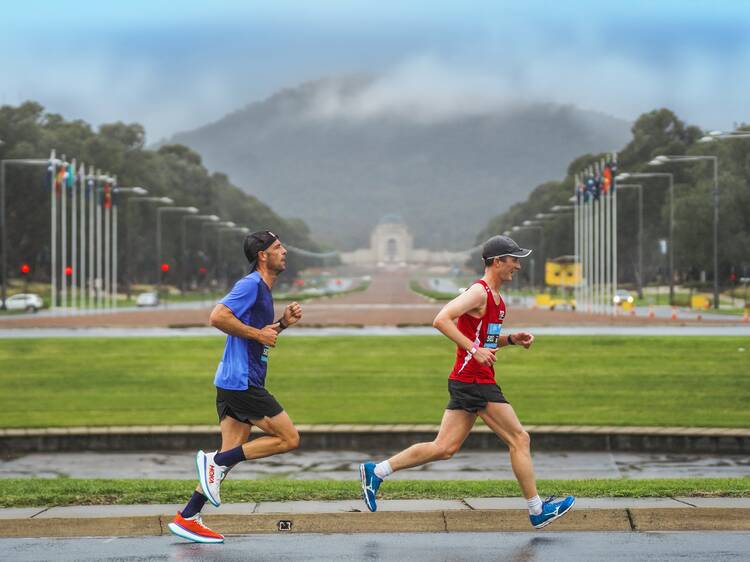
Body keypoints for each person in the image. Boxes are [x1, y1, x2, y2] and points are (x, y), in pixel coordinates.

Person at [359, 235, 575, 529]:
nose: (518, 266)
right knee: (519, 439)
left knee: (444, 448)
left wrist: (511, 339)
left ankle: (377, 471)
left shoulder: (496, 299)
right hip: (474, 381)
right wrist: (474, 351)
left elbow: (483, 339)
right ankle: (537, 510)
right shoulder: (479, 292)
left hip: (468, 379)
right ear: (497, 262)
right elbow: (441, 319)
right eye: (513, 260)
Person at [168, 230, 303, 544]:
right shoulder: (251, 285)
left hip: (233, 381)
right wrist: (258, 336)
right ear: (263, 255)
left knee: (230, 454)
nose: (285, 251)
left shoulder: (262, 290)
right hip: (242, 383)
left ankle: (188, 516)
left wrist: (281, 324)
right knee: (288, 438)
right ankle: (213, 461)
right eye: (278, 247)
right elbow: (218, 317)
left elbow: (258, 332)